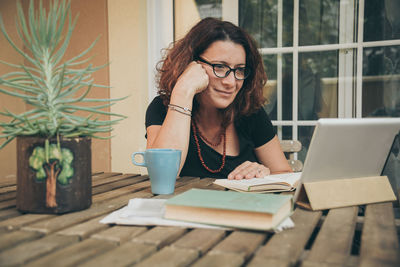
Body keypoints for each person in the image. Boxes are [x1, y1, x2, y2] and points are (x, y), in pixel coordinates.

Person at [145, 17, 292, 179]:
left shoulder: (249, 111)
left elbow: (284, 174)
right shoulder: (163, 107)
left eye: (240, 70)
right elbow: (161, 176)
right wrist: (183, 91)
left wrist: (264, 173)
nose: (231, 82)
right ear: (190, 64)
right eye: (219, 67)